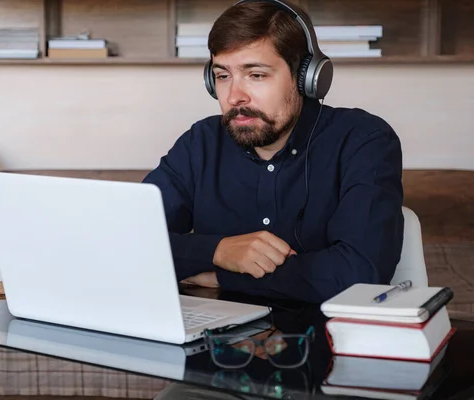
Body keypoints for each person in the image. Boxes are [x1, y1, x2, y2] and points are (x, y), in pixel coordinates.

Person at [143, 0, 404, 307]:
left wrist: (226, 276)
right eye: (223, 76)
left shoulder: (363, 140)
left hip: (326, 345)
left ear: (306, 77)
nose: (234, 96)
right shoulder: (200, 142)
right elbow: (128, 239)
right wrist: (218, 251)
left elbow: (361, 274)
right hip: (215, 347)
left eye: (256, 75)